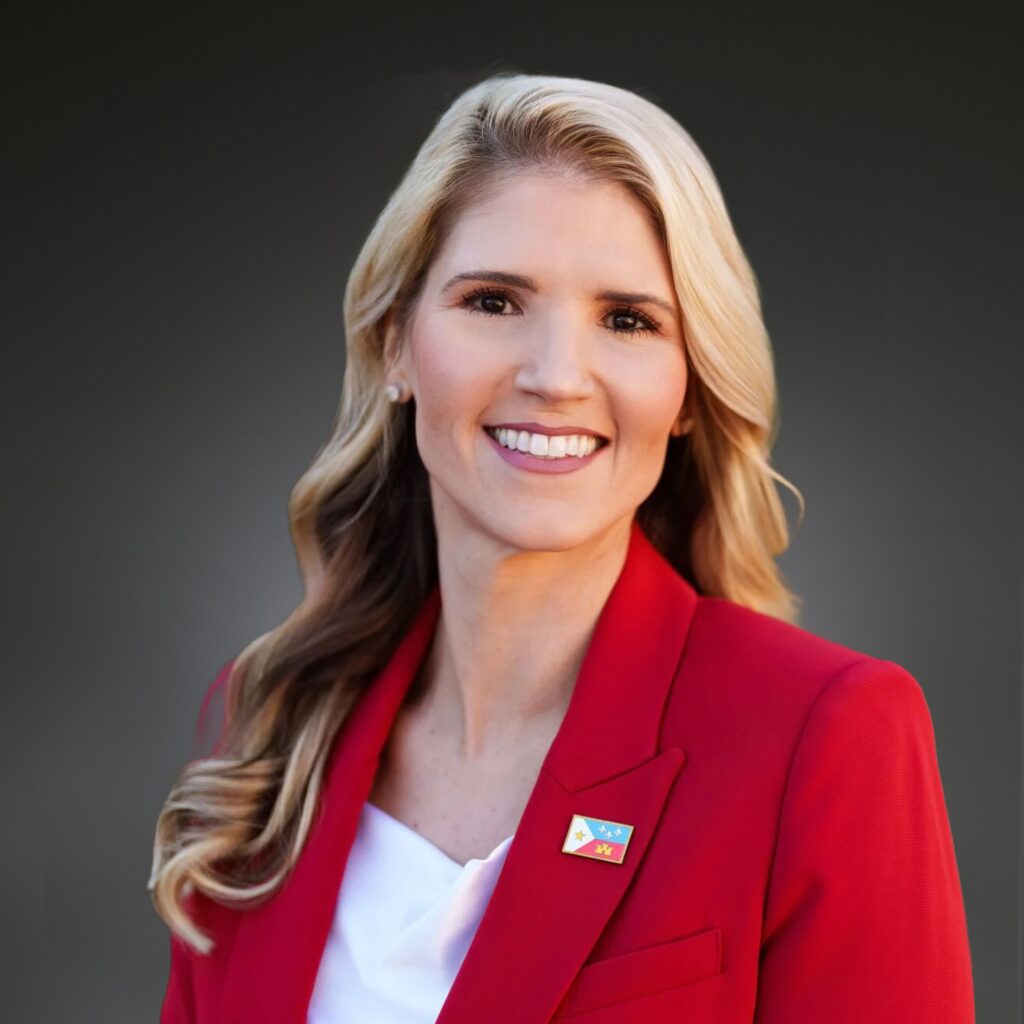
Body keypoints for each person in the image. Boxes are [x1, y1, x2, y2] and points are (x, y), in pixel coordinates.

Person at [149, 72, 975, 1023]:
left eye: (627, 320)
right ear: (395, 346)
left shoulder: (824, 738)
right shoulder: (271, 733)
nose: (555, 377)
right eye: (495, 302)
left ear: (690, 392)